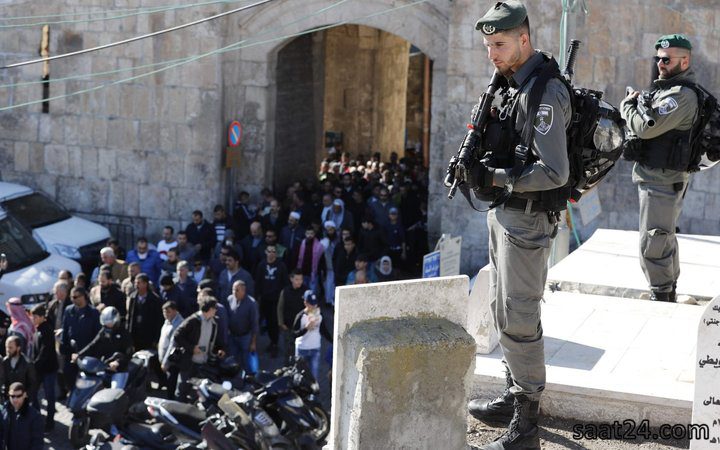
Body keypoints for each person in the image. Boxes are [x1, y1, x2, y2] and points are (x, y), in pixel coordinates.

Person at [465, 3, 573, 449]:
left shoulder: (544, 92)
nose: (492, 53)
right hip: (506, 213)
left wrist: (494, 178)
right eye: (488, 45)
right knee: (500, 308)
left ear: (524, 39)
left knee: (520, 316)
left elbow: (555, 171)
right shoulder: (512, 83)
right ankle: (513, 395)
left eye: (500, 44)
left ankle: (527, 422)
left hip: (527, 220)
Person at [621, 34, 699, 303]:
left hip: (662, 180)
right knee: (662, 237)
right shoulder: (668, 91)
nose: (660, 64)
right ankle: (667, 289)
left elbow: (645, 127)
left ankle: (661, 294)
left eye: (667, 60)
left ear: (684, 61)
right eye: (658, 59)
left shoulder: (681, 96)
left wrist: (627, 106)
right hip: (658, 177)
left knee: (653, 241)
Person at [172, 296, 225, 401]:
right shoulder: (193, 320)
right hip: (189, 362)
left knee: (199, 393)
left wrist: (220, 349)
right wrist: (191, 348)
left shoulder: (214, 322)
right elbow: (177, 335)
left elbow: (215, 341)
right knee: (182, 389)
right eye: (215, 308)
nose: (216, 310)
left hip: (203, 363)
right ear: (210, 309)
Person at [73, 307, 133, 387]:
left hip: (119, 370)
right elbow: (93, 344)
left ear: (116, 320)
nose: (107, 325)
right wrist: (79, 354)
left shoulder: (124, 333)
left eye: (109, 322)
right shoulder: (103, 332)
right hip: (104, 367)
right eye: (105, 322)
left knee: (115, 392)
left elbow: (128, 353)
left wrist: (118, 362)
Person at [60, 287, 101, 391]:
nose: (73, 300)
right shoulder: (69, 310)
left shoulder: (93, 313)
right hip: (71, 352)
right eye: (71, 297)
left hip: (88, 353)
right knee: (69, 376)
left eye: (75, 297)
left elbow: (98, 335)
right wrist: (63, 347)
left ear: (83, 297)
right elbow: (65, 329)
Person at [254, 244, 288, 357]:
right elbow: (258, 282)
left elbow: (285, 282)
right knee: (267, 322)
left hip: (276, 300)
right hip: (264, 299)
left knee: (274, 323)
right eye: (269, 251)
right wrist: (256, 296)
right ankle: (271, 342)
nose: (271, 253)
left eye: (274, 251)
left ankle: (275, 344)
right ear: (265, 252)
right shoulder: (261, 265)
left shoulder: (281, 266)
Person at [30, 304, 58, 431]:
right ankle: (38, 418)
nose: (33, 319)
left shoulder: (46, 330)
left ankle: (50, 422)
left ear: (42, 317)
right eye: (32, 317)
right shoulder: (38, 329)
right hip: (39, 369)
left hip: (48, 369)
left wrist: (34, 365)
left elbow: (44, 352)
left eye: (35, 317)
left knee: (49, 396)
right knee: (32, 393)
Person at [291, 291, 331, 382]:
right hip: (302, 349)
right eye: (311, 304)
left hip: (315, 349)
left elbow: (323, 331)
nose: (314, 306)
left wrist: (333, 341)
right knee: (300, 377)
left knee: (313, 378)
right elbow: (294, 334)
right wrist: (306, 328)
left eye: (315, 304)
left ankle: (312, 392)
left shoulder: (319, 315)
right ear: (305, 303)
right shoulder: (300, 316)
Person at [225, 281, 259, 371]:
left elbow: (255, 324)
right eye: (233, 289)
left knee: (246, 360)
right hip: (232, 336)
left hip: (245, 337)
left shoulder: (252, 303)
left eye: (237, 290)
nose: (234, 292)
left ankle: (247, 376)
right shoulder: (229, 299)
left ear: (243, 291)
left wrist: (253, 342)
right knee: (233, 360)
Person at [0, 382, 44, 450]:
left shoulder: (35, 416)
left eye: (19, 396)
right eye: (12, 396)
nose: (15, 399)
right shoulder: (4, 411)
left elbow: (37, 443)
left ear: (24, 395)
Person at [126, 273, 163, 351]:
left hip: (148, 336)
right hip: (135, 336)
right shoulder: (133, 297)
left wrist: (156, 339)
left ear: (145, 284)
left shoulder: (155, 300)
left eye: (139, 283)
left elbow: (158, 321)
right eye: (135, 283)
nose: (136, 285)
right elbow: (129, 317)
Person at [277, 270, 307, 359]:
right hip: (288, 326)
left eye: (301, 279)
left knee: (301, 351)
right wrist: (281, 323)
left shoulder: (306, 291)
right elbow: (280, 307)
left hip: (302, 327)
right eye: (297, 279)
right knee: (288, 350)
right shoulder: (285, 291)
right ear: (291, 279)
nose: (299, 282)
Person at [0, 336, 37, 403]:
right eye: (6, 347)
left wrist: (25, 395)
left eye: (10, 347)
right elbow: (3, 380)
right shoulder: (5, 361)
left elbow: (32, 384)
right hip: (8, 399)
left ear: (18, 348)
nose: (7, 350)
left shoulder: (27, 363)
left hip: (23, 400)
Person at [158, 301, 183, 398]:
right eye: (164, 312)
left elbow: (173, 345)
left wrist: (166, 362)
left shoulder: (178, 324)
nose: (166, 314)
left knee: (172, 384)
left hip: (172, 360)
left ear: (175, 311)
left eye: (168, 312)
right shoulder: (167, 321)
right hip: (165, 358)